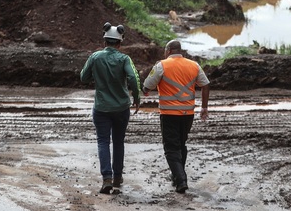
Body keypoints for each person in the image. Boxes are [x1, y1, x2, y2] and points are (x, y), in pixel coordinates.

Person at [142, 39, 210, 194]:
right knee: (181, 144)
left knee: (171, 148)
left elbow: (148, 85)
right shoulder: (194, 65)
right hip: (188, 114)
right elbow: (205, 84)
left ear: (168, 51)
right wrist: (204, 107)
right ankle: (177, 176)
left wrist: (145, 89)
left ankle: (180, 180)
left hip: (169, 114)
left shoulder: (162, 65)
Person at [80, 22, 140, 194]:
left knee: (103, 142)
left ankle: (106, 178)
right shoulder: (124, 59)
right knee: (119, 142)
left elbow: (83, 77)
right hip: (121, 108)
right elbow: (134, 79)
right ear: (120, 44)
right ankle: (117, 177)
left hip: (101, 108)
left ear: (104, 41)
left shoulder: (95, 57)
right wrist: (136, 98)